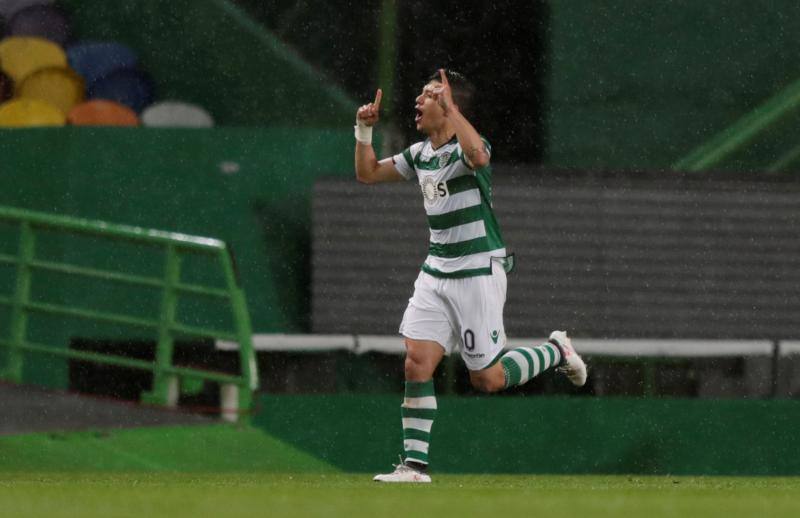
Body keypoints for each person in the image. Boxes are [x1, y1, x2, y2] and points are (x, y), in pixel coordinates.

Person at [354, 69, 587, 483]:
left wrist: (455, 112)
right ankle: (413, 467)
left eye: (428, 95)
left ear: (448, 106)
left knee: (488, 379)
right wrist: (362, 129)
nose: (418, 102)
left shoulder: (467, 151)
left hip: (477, 270)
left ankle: (556, 350)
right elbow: (367, 173)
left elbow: (479, 155)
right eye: (422, 94)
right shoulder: (420, 154)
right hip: (435, 271)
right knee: (417, 362)